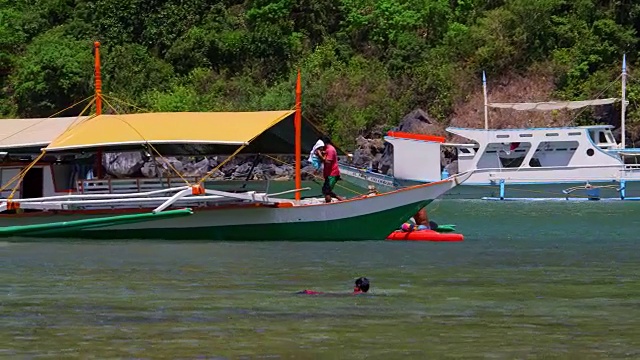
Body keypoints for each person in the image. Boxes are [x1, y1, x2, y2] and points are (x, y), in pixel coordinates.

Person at [321, 136, 344, 203]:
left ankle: (328, 205)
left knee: (327, 192)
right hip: (329, 174)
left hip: (332, 174)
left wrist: (320, 156)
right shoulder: (327, 150)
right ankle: (340, 199)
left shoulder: (330, 150)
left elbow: (328, 162)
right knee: (325, 190)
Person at [297, 277, 370, 295]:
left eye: (355, 285)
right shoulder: (360, 293)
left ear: (358, 286)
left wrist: (313, 293)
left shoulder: (356, 294)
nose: (354, 287)